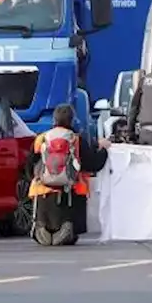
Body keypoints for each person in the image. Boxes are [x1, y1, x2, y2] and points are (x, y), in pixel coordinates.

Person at [28, 104, 107, 246]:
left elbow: (29, 166)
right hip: (69, 197)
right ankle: (68, 228)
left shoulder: (41, 139)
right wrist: (103, 150)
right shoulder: (76, 140)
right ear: (71, 120)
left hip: (43, 196)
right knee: (79, 185)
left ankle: (42, 226)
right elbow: (93, 164)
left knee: (38, 189)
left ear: (54, 120)